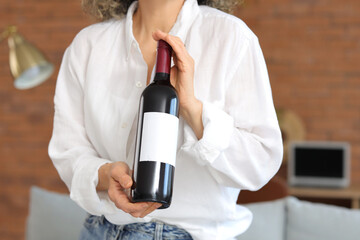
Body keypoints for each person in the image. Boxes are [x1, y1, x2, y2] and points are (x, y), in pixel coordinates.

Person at [48, 0, 283, 239]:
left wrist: (192, 109)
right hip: (97, 230)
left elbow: (260, 162)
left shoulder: (231, 38)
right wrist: (106, 174)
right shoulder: (87, 45)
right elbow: (68, 150)